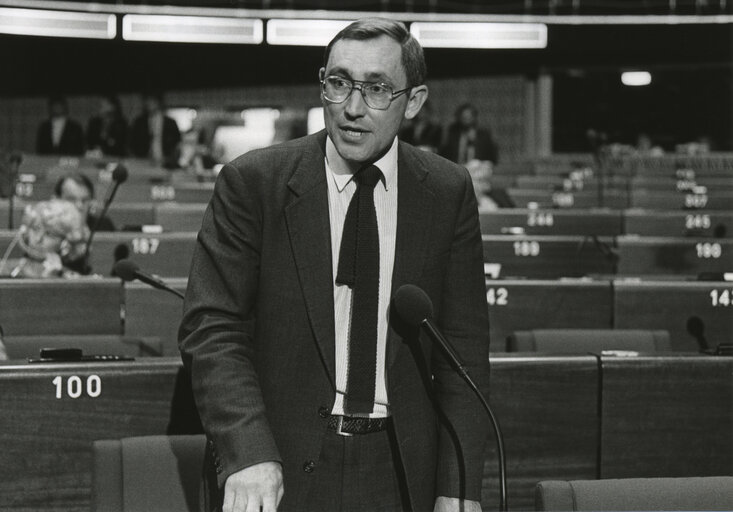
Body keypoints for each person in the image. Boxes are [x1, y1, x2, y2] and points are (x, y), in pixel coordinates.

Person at [179, 17, 490, 512]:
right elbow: (212, 326)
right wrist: (249, 451)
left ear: (413, 101)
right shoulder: (253, 181)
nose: (351, 107)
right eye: (339, 82)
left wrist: (460, 486)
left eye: (377, 89)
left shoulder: (447, 191)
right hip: (276, 465)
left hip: (403, 470)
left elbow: (463, 350)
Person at [0, 199, 89, 278]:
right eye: (35, 229)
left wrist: (51, 282)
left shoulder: (74, 281)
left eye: (49, 234)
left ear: (66, 243)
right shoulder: (4, 269)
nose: (38, 239)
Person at [130, 92, 181, 168]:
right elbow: (132, 142)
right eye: (147, 101)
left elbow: (177, 144)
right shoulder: (139, 122)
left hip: (165, 163)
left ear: (159, 102)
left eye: (152, 101)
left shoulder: (170, 122)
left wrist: (171, 158)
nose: (149, 103)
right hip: (143, 162)